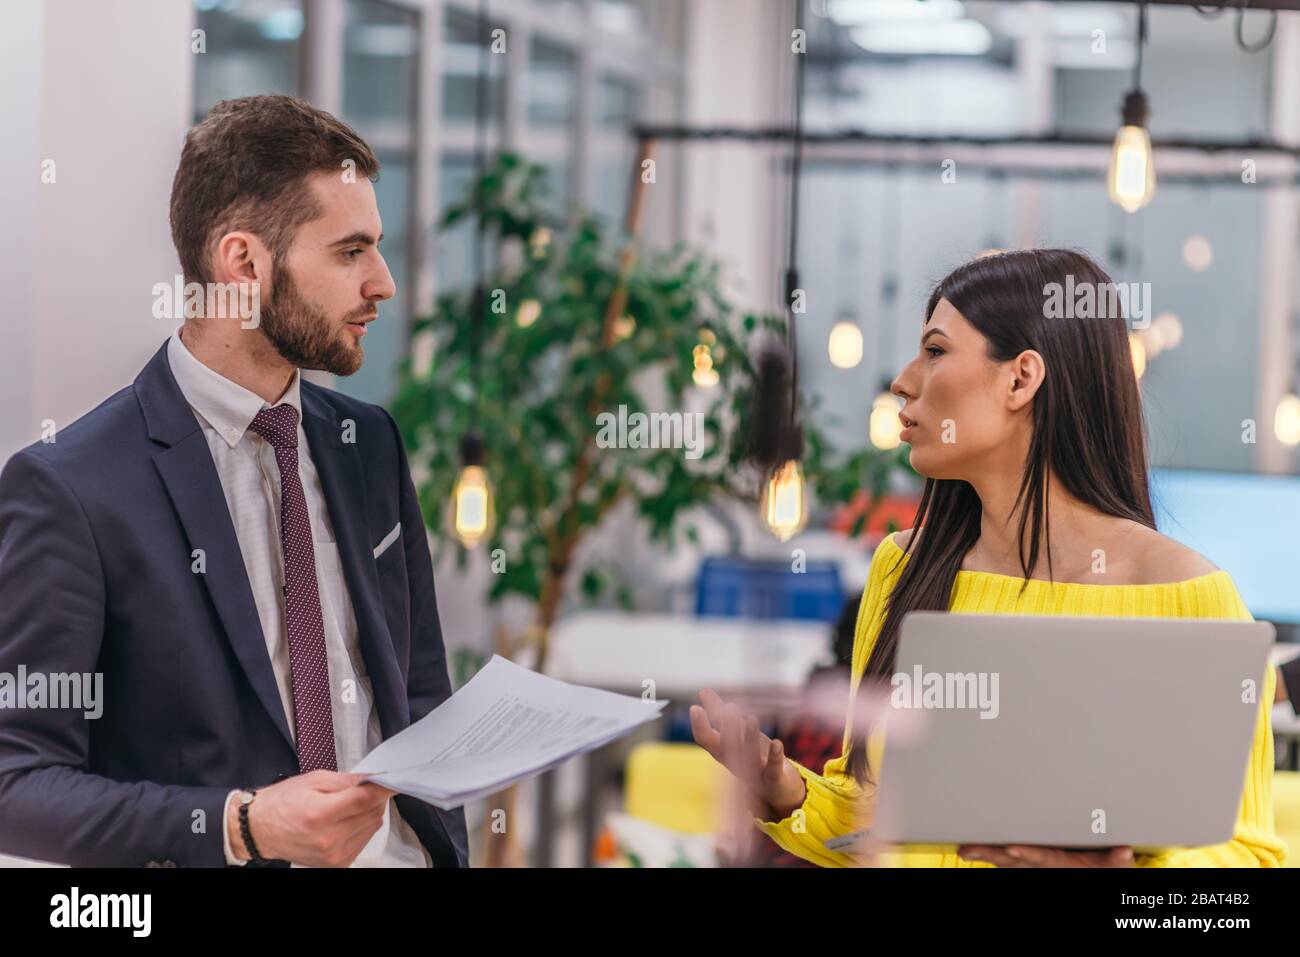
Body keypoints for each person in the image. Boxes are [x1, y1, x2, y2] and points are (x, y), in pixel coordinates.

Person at [691, 249, 1286, 868]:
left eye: (936, 350)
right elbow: (873, 817)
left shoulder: (1188, 593)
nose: (902, 380)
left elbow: (1245, 870)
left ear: (1022, 379)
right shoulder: (903, 569)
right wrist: (786, 792)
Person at [0, 95, 468, 867]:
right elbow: (16, 786)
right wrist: (240, 824)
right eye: (351, 252)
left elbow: (419, 695)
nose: (383, 282)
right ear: (243, 262)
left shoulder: (370, 444)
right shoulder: (71, 490)